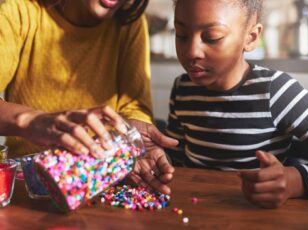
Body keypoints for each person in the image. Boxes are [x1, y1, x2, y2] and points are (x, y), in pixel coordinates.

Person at [166, 0, 308, 208]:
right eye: (181, 35)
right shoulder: (182, 88)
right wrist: (157, 159)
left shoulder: (276, 91)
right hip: (195, 212)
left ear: (250, 38)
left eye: (212, 37)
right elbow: (175, 160)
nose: (191, 51)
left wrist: (294, 181)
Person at [0, 0, 177, 194]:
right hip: (25, 184)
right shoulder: (18, 11)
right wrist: (30, 120)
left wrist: (132, 139)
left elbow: (133, 103)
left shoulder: (129, 24)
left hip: (97, 182)